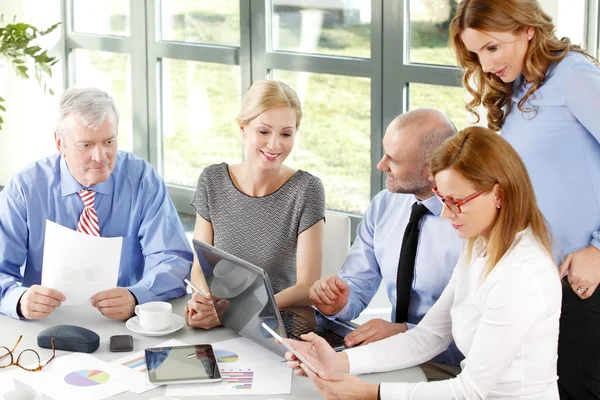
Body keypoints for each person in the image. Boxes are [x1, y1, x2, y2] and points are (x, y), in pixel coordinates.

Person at [286, 127, 562, 399]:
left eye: (456, 201)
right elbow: (428, 337)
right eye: (443, 198)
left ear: (499, 195)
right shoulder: (478, 246)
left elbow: (470, 390)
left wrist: (372, 394)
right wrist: (340, 361)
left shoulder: (520, 275)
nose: (444, 212)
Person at [450, 1, 600, 397]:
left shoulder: (575, 77)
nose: (484, 65)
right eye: (476, 53)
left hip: (584, 280)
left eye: (492, 48)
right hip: (542, 278)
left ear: (527, 30)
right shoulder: (519, 89)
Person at [0, 87, 193, 321]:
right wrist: (19, 300)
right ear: (60, 143)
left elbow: (173, 258)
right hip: (44, 324)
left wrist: (137, 296)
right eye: (86, 145)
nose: (100, 156)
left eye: (108, 142)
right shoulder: (25, 189)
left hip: (128, 323)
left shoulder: (142, 179)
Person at [309, 108, 464, 380]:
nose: (381, 165)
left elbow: (479, 339)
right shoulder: (384, 204)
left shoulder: (468, 225)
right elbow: (355, 287)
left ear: (431, 170)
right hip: (393, 356)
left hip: (452, 367)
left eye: (392, 159)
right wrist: (337, 302)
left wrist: (406, 332)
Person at [186, 80, 325, 329]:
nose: (274, 144)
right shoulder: (212, 181)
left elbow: (307, 288)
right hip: (223, 321)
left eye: (286, 133)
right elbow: (199, 270)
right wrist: (204, 301)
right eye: (263, 131)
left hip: (279, 322)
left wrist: (239, 310)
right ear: (242, 129)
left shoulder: (307, 189)